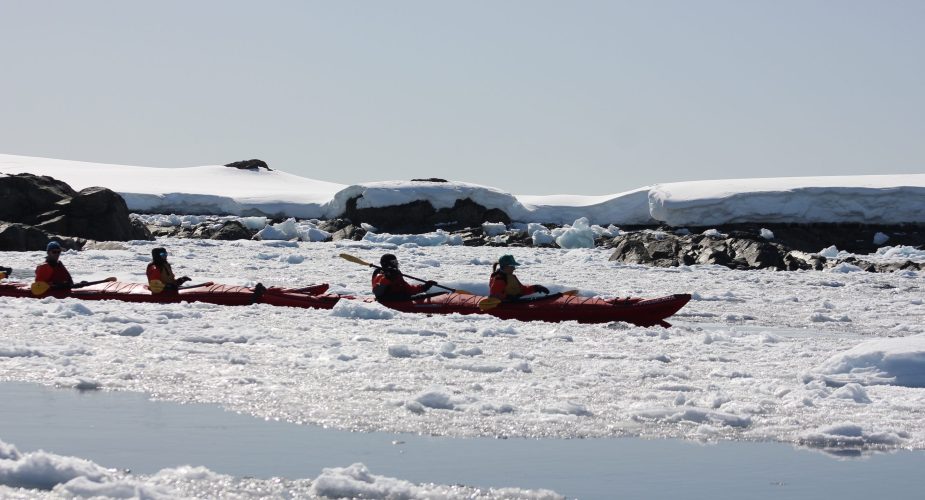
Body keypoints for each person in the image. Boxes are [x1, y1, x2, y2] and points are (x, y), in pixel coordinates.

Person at [371, 253, 435, 301]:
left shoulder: (396, 273)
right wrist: (388, 279)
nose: (396, 264)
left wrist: (424, 287)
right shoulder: (380, 274)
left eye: (396, 261)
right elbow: (377, 293)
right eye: (393, 262)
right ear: (386, 263)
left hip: (401, 297)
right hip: (389, 300)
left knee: (422, 296)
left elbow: (406, 288)